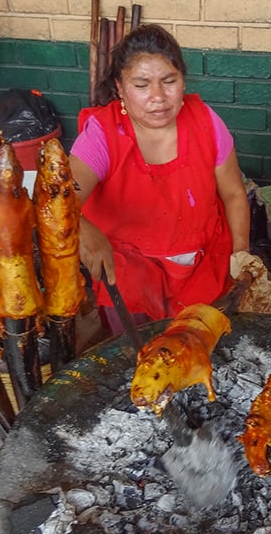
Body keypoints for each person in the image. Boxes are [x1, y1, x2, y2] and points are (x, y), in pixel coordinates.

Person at [69, 24, 251, 330]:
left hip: (204, 265)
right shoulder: (102, 133)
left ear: (183, 81)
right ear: (120, 88)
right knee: (137, 357)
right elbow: (61, 198)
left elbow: (233, 194)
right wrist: (81, 226)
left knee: (201, 350)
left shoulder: (206, 121)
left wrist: (241, 255)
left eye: (169, 81)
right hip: (129, 272)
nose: (158, 97)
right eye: (141, 85)